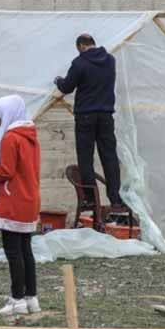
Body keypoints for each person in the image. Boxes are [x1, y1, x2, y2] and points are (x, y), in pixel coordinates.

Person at [0, 95, 42, 317]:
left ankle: (17, 300)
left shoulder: (11, 138)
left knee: (14, 253)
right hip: (30, 199)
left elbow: (5, 171)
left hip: (14, 201)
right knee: (25, 251)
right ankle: (31, 298)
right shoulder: (31, 137)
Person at [54, 33, 124, 227]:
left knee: (86, 158)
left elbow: (67, 87)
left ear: (81, 46)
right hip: (106, 116)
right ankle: (115, 198)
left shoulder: (79, 62)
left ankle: (90, 199)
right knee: (109, 157)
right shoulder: (110, 60)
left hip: (85, 116)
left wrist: (58, 80)